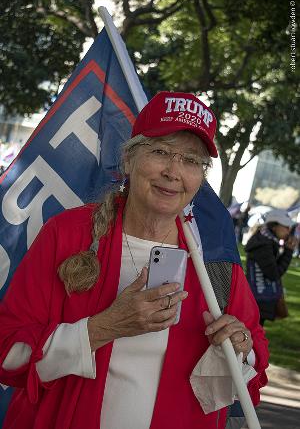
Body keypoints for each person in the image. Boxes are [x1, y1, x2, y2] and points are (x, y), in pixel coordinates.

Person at [0, 92, 268, 429]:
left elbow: (253, 366)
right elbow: (8, 353)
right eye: (160, 152)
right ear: (129, 160)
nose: (174, 171)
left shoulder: (213, 256)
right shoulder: (69, 235)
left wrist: (240, 346)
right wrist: (104, 327)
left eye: (190, 160)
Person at [245, 209, 297, 326]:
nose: (288, 231)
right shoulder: (263, 244)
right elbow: (274, 274)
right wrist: (288, 251)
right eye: (285, 226)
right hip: (258, 298)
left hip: (258, 297)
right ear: (274, 226)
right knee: (254, 332)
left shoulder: (266, 240)